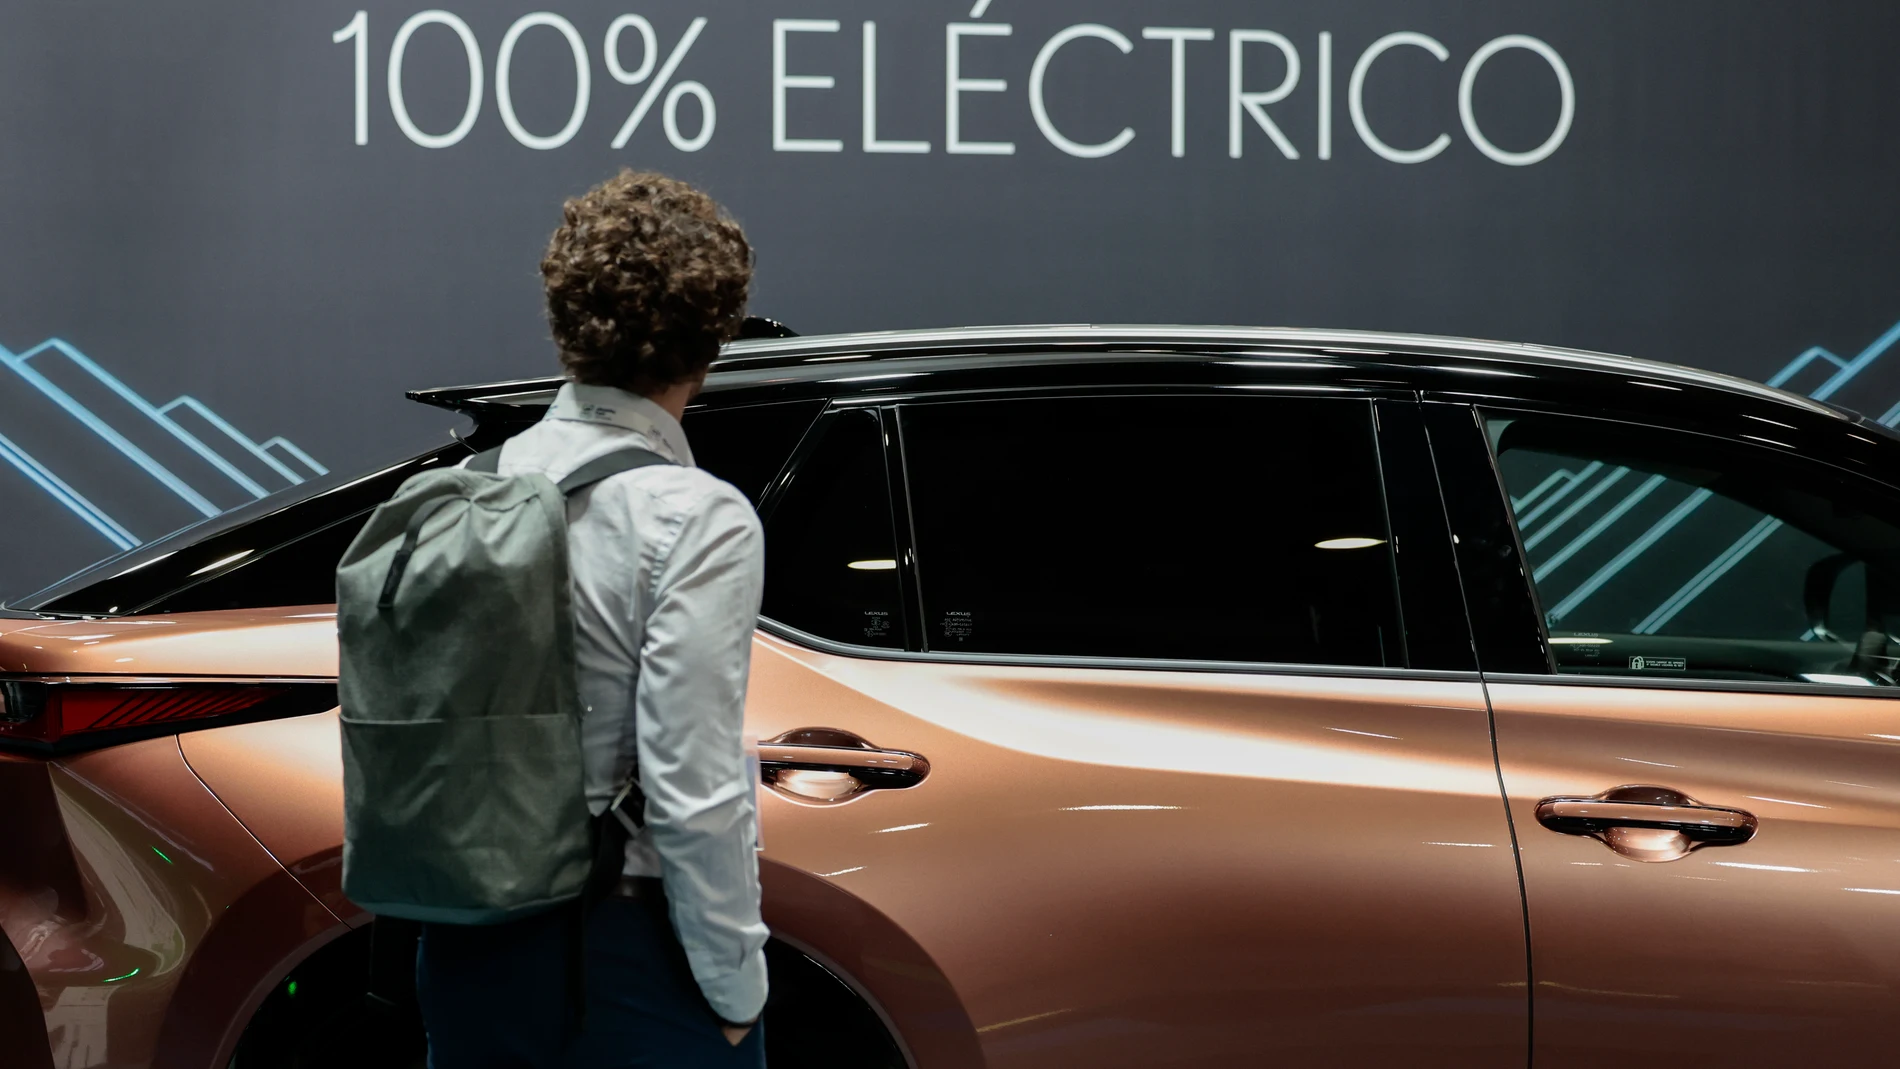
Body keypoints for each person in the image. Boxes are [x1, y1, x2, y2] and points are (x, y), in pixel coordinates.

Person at [413, 170, 768, 1068]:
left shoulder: (467, 491)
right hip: (623, 948)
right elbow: (693, 784)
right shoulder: (697, 515)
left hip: (462, 941)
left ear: (566, 320)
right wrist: (734, 990)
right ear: (711, 339)